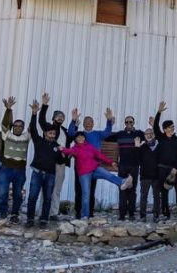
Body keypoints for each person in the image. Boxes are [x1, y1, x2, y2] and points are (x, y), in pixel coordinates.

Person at [61, 132, 133, 219]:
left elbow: (100, 155)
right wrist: (62, 149)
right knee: (86, 194)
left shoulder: (90, 146)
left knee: (107, 174)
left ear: (84, 138)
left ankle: (122, 182)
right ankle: (85, 215)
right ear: (76, 140)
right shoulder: (75, 148)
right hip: (84, 174)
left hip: (94, 168)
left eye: (82, 137)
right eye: (78, 138)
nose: (80, 139)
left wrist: (111, 162)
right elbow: (69, 151)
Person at [67, 107, 115, 218]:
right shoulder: (79, 134)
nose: (88, 124)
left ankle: (90, 213)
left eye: (90, 122)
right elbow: (70, 133)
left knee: (91, 190)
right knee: (79, 189)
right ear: (83, 124)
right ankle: (78, 213)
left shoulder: (98, 134)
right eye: (86, 122)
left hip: (93, 166)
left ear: (93, 124)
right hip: (80, 166)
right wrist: (73, 121)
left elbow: (107, 132)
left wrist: (109, 121)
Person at [26, 100, 65, 228]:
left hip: (50, 175)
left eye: (54, 133)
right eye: (50, 133)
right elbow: (33, 127)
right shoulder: (38, 141)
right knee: (32, 197)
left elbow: (60, 161)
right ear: (45, 133)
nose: (52, 135)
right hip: (37, 173)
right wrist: (34, 114)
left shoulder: (56, 146)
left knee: (48, 198)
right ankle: (30, 219)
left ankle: (44, 220)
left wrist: (63, 153)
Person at [0, 96, 30, 222]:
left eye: (20, 126)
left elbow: (33, 126)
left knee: (17, 194)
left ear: (23, 128)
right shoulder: (7, 135)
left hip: (20, 170)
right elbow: (5, 124)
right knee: (2, 193)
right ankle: (3, 212)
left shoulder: (26, 137)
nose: (17, 127)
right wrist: (8, 109)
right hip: (6, 169)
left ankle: (14, 214)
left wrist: (34, 113)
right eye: (15, 125)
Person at [38, 93, 70, 221]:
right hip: (48, 162)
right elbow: (40, 120)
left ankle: (53, 212)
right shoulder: (49, 128)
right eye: (58, 116)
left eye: (62, 117)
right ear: (53, 118)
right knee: (45, 188)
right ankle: (42, 212)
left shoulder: (65, 131)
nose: (60, 118)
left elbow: (73, 138)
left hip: (60, 164)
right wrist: (44, 105)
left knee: (56, 189)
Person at [109, 114, 145, 221]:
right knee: (122, 189)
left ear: (134, 123)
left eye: (131, 122)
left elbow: (151, 138)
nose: (129, 124)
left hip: (134, 165)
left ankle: (131, 214)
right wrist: (110, 124)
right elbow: (106, 137)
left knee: (132, 190)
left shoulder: (139, 133)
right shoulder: (120, 134)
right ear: (125, 123)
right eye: (127, 122)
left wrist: (152, 126)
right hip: (122, 166)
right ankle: (121, 214)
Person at [153, 103, 177, 219]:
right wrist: (159, 112)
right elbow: (155, 126)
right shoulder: (160, 137)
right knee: (164, 191)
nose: (172, 128)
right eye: (170, 126)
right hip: (162, 168)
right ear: (165, 129)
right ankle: (166, 213)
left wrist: (176, 167)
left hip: (175, 169)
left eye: (173, 126)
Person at [136, 127, 163, 221]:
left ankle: (156, 215)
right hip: (145, 176)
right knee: (144, 196)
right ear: (144, 136)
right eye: (147, 134)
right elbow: (137, 160)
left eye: (151, 133)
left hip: (156, 175)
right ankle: (143, 216)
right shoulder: (142, 147)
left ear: (154, 135)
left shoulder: (159, 146)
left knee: (156, 196)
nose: (149, 135)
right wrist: (137, 148)